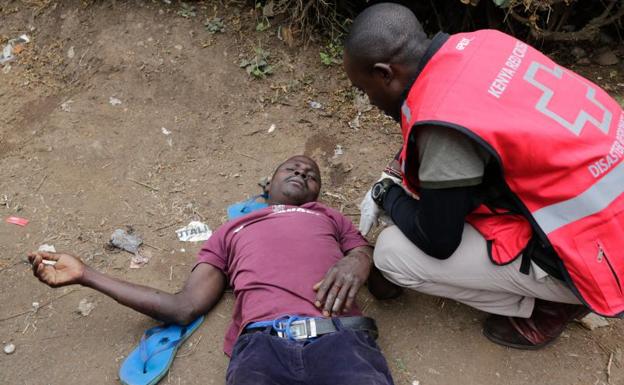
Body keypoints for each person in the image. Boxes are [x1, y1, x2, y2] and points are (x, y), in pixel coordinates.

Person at [344, 3, 624, 350]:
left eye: (364, 89)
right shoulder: (483, 43)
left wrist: (386, 195)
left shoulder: (441, 125)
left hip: (602, 255)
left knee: (391, 252)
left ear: (385, 73)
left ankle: (551, 303)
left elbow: (437, 240)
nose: (369, 101)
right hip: (608, 206)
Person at [29, 155, 395, 385]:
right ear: (268, 185)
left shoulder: (328, 217)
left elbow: (387, 289)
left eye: (311, 175)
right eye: (292, 168)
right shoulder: (231, 231)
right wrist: (86, 275)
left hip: (341, 341)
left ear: (317, 194)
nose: (302, 171)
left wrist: (360, 257)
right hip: (263, 349)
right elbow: (183, 307)